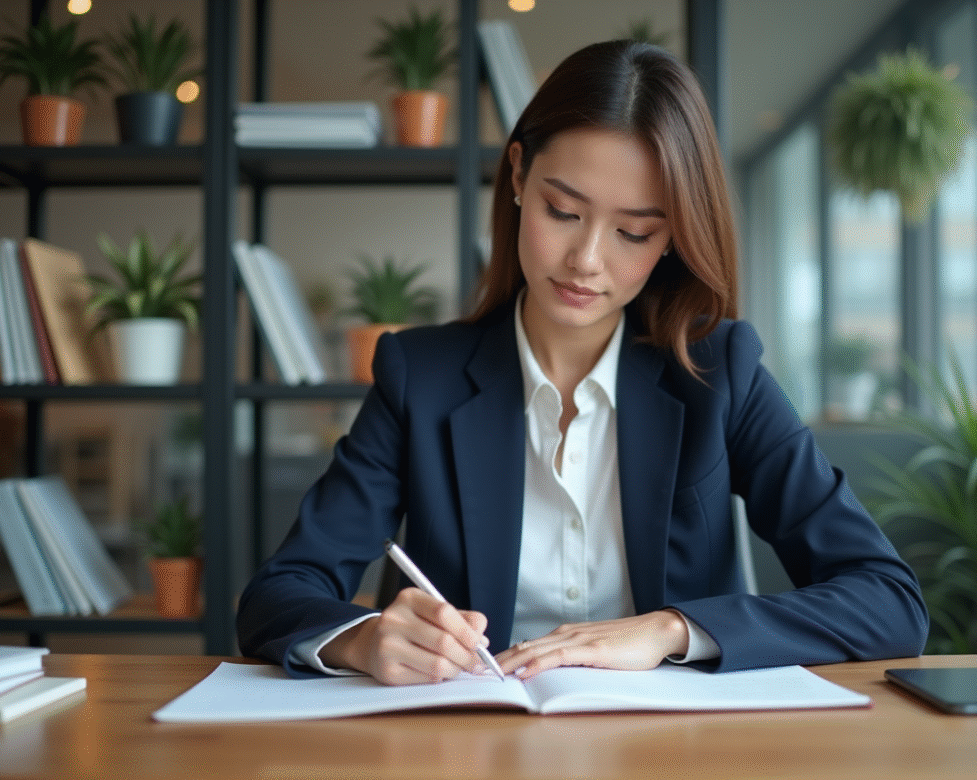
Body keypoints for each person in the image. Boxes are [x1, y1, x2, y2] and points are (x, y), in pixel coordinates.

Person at [236, 40, 928, 685]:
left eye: (634, 231)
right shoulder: (420, 377)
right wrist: (358, 639)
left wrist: (672, 629)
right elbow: (278, 594)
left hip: (675, 752)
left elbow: (889, 601)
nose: (587, 261)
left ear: (672, 241)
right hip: (468, 745)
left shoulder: (721, 374)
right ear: (516, 177)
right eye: (563, 211)